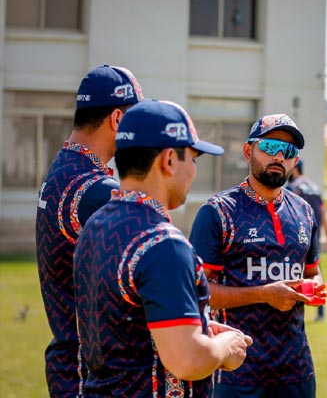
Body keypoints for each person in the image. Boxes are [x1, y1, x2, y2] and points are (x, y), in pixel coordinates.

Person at [73, 99, 252, 396]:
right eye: (193, 158)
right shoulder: (163, 244)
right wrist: (224, 347)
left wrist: (199, 327)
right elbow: (188, 360)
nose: (193, 170)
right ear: (169, 160)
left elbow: (129, 324)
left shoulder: (95, 226)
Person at [189, 113, 324, 398]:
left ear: (295, 160)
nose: (279, 157)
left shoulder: (304, 212)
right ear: (248, 150)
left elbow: (313, 273)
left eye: (288, 151)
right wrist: (263, 294)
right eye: (270, 147)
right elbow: (196, 293)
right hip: (237, 369)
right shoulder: (218, 212)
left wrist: (312, 289)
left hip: (296, 370)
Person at [35, 64, 143, 397]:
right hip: (91, 377)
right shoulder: (96, 190)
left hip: (69, 365)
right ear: (118, 119)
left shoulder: (64, 168)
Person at [288, 157, 327, 321]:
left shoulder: (292, 188)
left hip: (294, 237)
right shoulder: (314, 188)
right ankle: (320, 310)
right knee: (315, 272)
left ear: (294, 168)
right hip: (313, 236)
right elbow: (324, 215)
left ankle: (290, 307)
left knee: (289, 272)